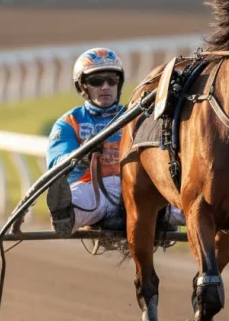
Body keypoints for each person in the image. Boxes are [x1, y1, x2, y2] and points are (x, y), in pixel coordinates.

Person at [44, 47, 183, 235]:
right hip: (92, 189)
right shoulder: (69, 122)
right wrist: (82, 156)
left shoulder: (136, 116)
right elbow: (56, 165)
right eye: (96, 81)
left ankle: (228, 219)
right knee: (77, 200)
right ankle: (66, 216)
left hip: (137, 187)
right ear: (82, 86)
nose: (105, 87)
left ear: (119, 83)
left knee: (190, 201)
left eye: (112, 80)